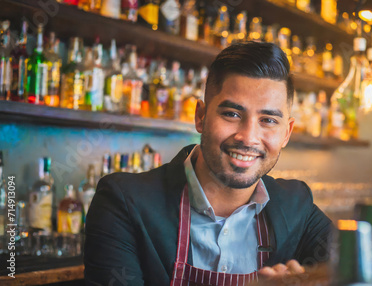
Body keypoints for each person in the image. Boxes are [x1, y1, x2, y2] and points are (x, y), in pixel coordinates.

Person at [84, 41, 333, 285]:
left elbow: (360, 269)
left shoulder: (296, 205)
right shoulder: (123, 202)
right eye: (232, 114)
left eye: (268, 120)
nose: (248, 137)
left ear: (286, 133)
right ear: (201, 116)